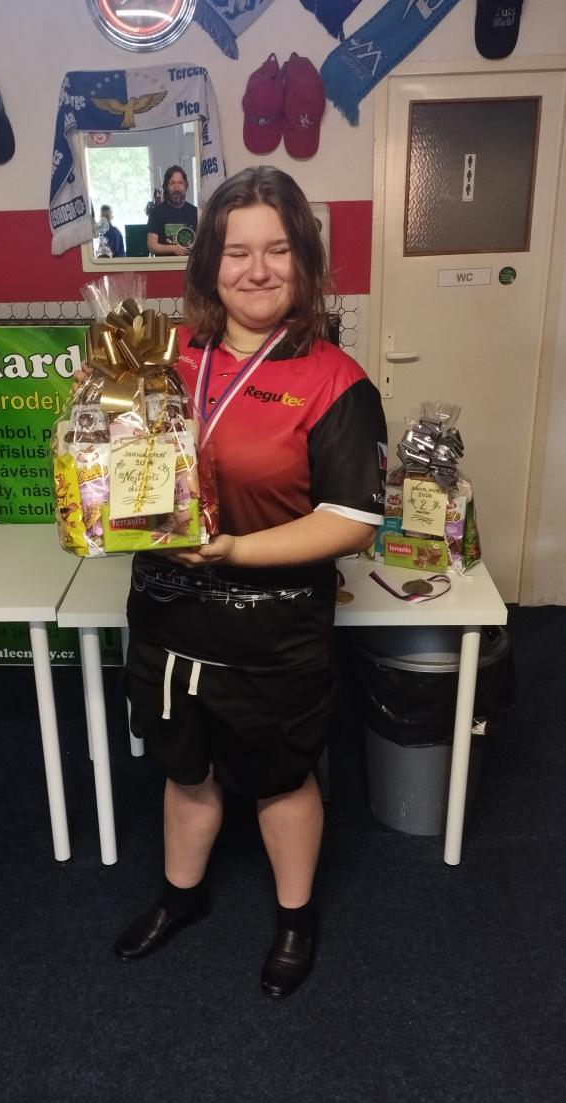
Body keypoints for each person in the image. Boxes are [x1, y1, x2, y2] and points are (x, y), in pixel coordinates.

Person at [115, 166, 387, 999]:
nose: (257, 270)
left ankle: (295, 917)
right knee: (184, 767)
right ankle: (181, 896)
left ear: (304, 260)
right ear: (209, 263)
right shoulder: (160, 360)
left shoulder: (336, 381)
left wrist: (233, 551)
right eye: (237, 252)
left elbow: (350, 521)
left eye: (277, 250)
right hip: (167, 614)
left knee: (280, 777)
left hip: (272, 630)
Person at [146, 165, 198, 257]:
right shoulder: (156, 213)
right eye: (172, 183)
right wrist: (172, 248)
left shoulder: (195, 212)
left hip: (190, 264)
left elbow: (203, 242)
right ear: (166, 187)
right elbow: (152, 246)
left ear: (186, 186)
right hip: (166, 265)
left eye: (180, 183)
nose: (177, 188)